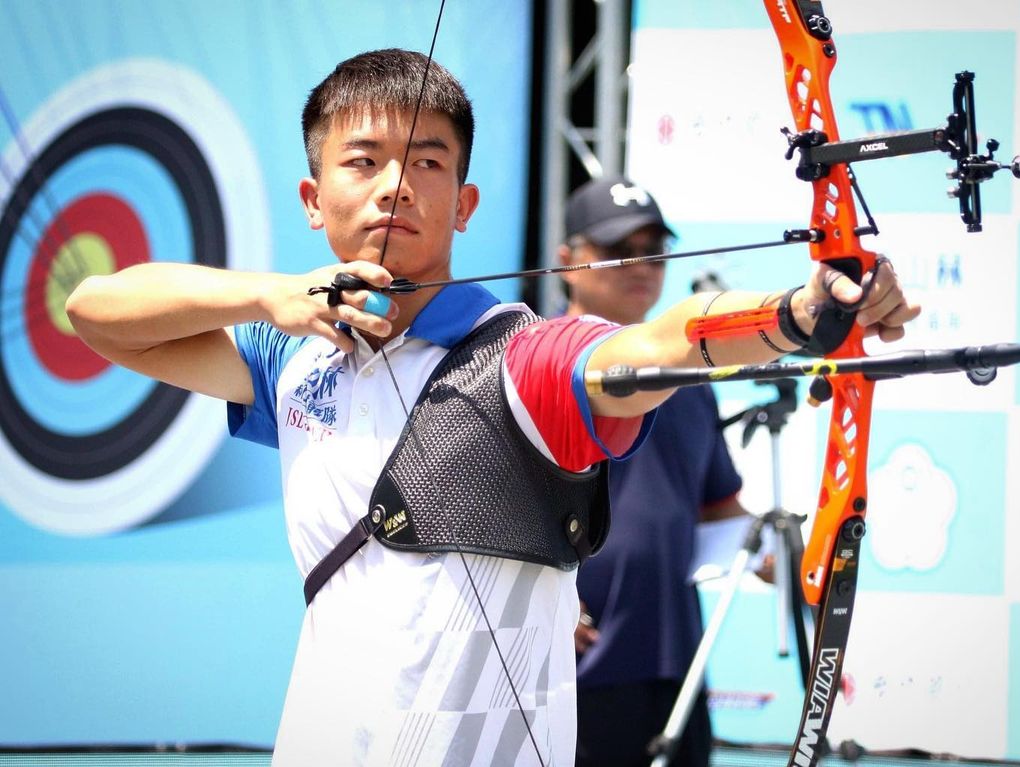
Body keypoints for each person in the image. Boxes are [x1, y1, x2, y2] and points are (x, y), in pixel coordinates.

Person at [65, 49, 919, 767]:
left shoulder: (521, 353)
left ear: (465, 204)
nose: (396, 185)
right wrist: (274, 296)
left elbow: (656, 346)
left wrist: (801, 315)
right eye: (362, 160)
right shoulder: (289, 357)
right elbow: (96, 309)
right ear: (311, 198)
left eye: (428, 161)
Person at [560, 176, 748, 767]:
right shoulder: (533, 361)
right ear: (568, 261)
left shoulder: (689, 378)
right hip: (568, 664)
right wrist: (539, 610)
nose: (640, 265)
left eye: (654, 249)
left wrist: (778, 549)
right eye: (618, 249)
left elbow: (718, 505)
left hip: (676, 663)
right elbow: (477, 504)